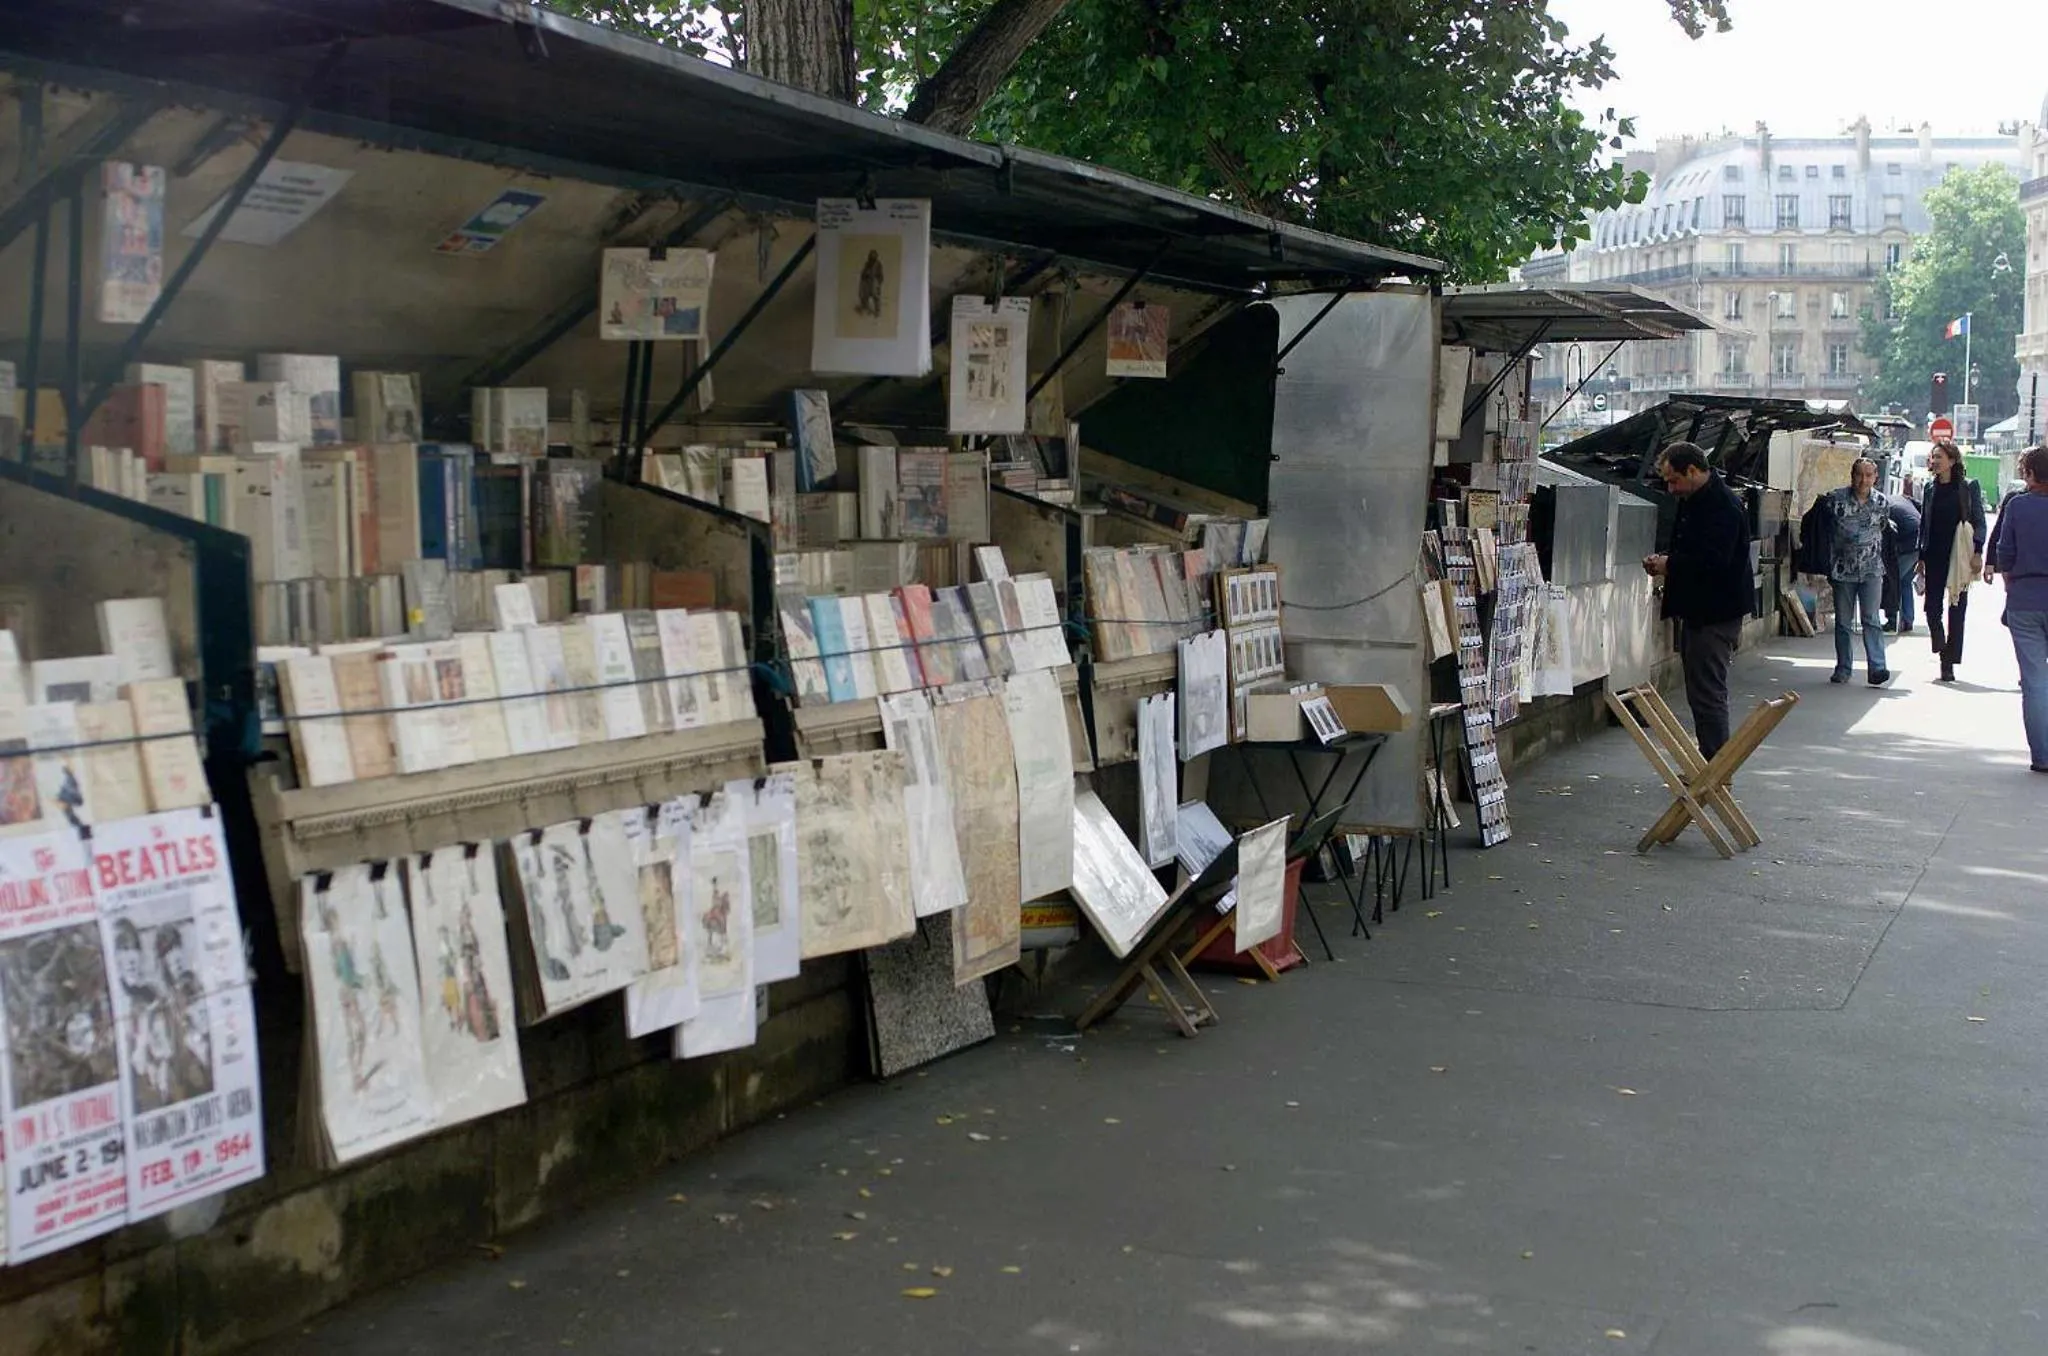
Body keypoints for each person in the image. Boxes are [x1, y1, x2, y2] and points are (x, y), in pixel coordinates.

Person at [1642, 442, 1756, 759]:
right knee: (1702, 691)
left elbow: (1713, 562)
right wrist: (1669, 560)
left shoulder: (1722, 506)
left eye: (1673, 479)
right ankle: (1713, 762)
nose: (1670, 488)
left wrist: (1670, 565)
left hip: (1715, 613)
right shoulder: (1698, 499)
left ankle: (1716, 767)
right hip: (1702, 609)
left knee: (1707, 692)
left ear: (1693, 471)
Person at [1988, 445, 2048, 772]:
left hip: (2025, 598)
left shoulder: (2018, 507)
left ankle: (2042, 755)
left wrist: (2012, 582)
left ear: (2030, 475)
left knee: (2035, 681)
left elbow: (2004, 555)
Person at [1915, 441, 1987, 682]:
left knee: (1957, 609)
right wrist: (1920, 557)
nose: (1935, 461)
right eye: (1933, 457)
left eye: (1940, 457)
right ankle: (1939, 639)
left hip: (1960, 554)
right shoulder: (1929, 488)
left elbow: (1979, 520)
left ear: (1952, 461)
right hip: (1934, 554)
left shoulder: (1967, 487)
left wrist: (1978, 551)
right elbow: (1924, 524)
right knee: (1931, 608)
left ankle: (1948, 663)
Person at [1825, 458, 1894, 686]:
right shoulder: (1836, 499)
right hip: (1843, 570)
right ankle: (1843, 668)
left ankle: (1877, 667)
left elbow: (1883, 529)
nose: (1863, 480)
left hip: (1872, 570)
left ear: (1875, 477)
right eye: (1859, 475)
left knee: (1871, 619)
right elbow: (1825, 529)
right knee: (1843, 622)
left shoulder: (1882, 503)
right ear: (1852, 476)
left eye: (1868, 475)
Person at [1883, 487, 1922, 635]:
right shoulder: (1902, 499)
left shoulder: (1884, 505)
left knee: (1893, 580)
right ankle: (1907, 619)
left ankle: (1893, 620)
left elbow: (1888, 533)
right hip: (1920, 543)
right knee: (1905, 582)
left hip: (1909, 543)